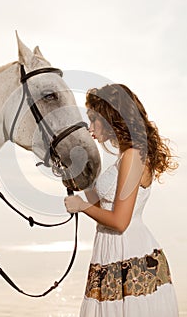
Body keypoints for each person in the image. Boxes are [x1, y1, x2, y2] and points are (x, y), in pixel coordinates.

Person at [64, 83, 179, 317]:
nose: (90, 126)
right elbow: (103, 207)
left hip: (127, 251)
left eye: (94, 118)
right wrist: (79, 173)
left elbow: (120, 221)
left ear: (111, 117)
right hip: (113, 250)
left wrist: (81, 206)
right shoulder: (128, 154)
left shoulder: (133, 155)